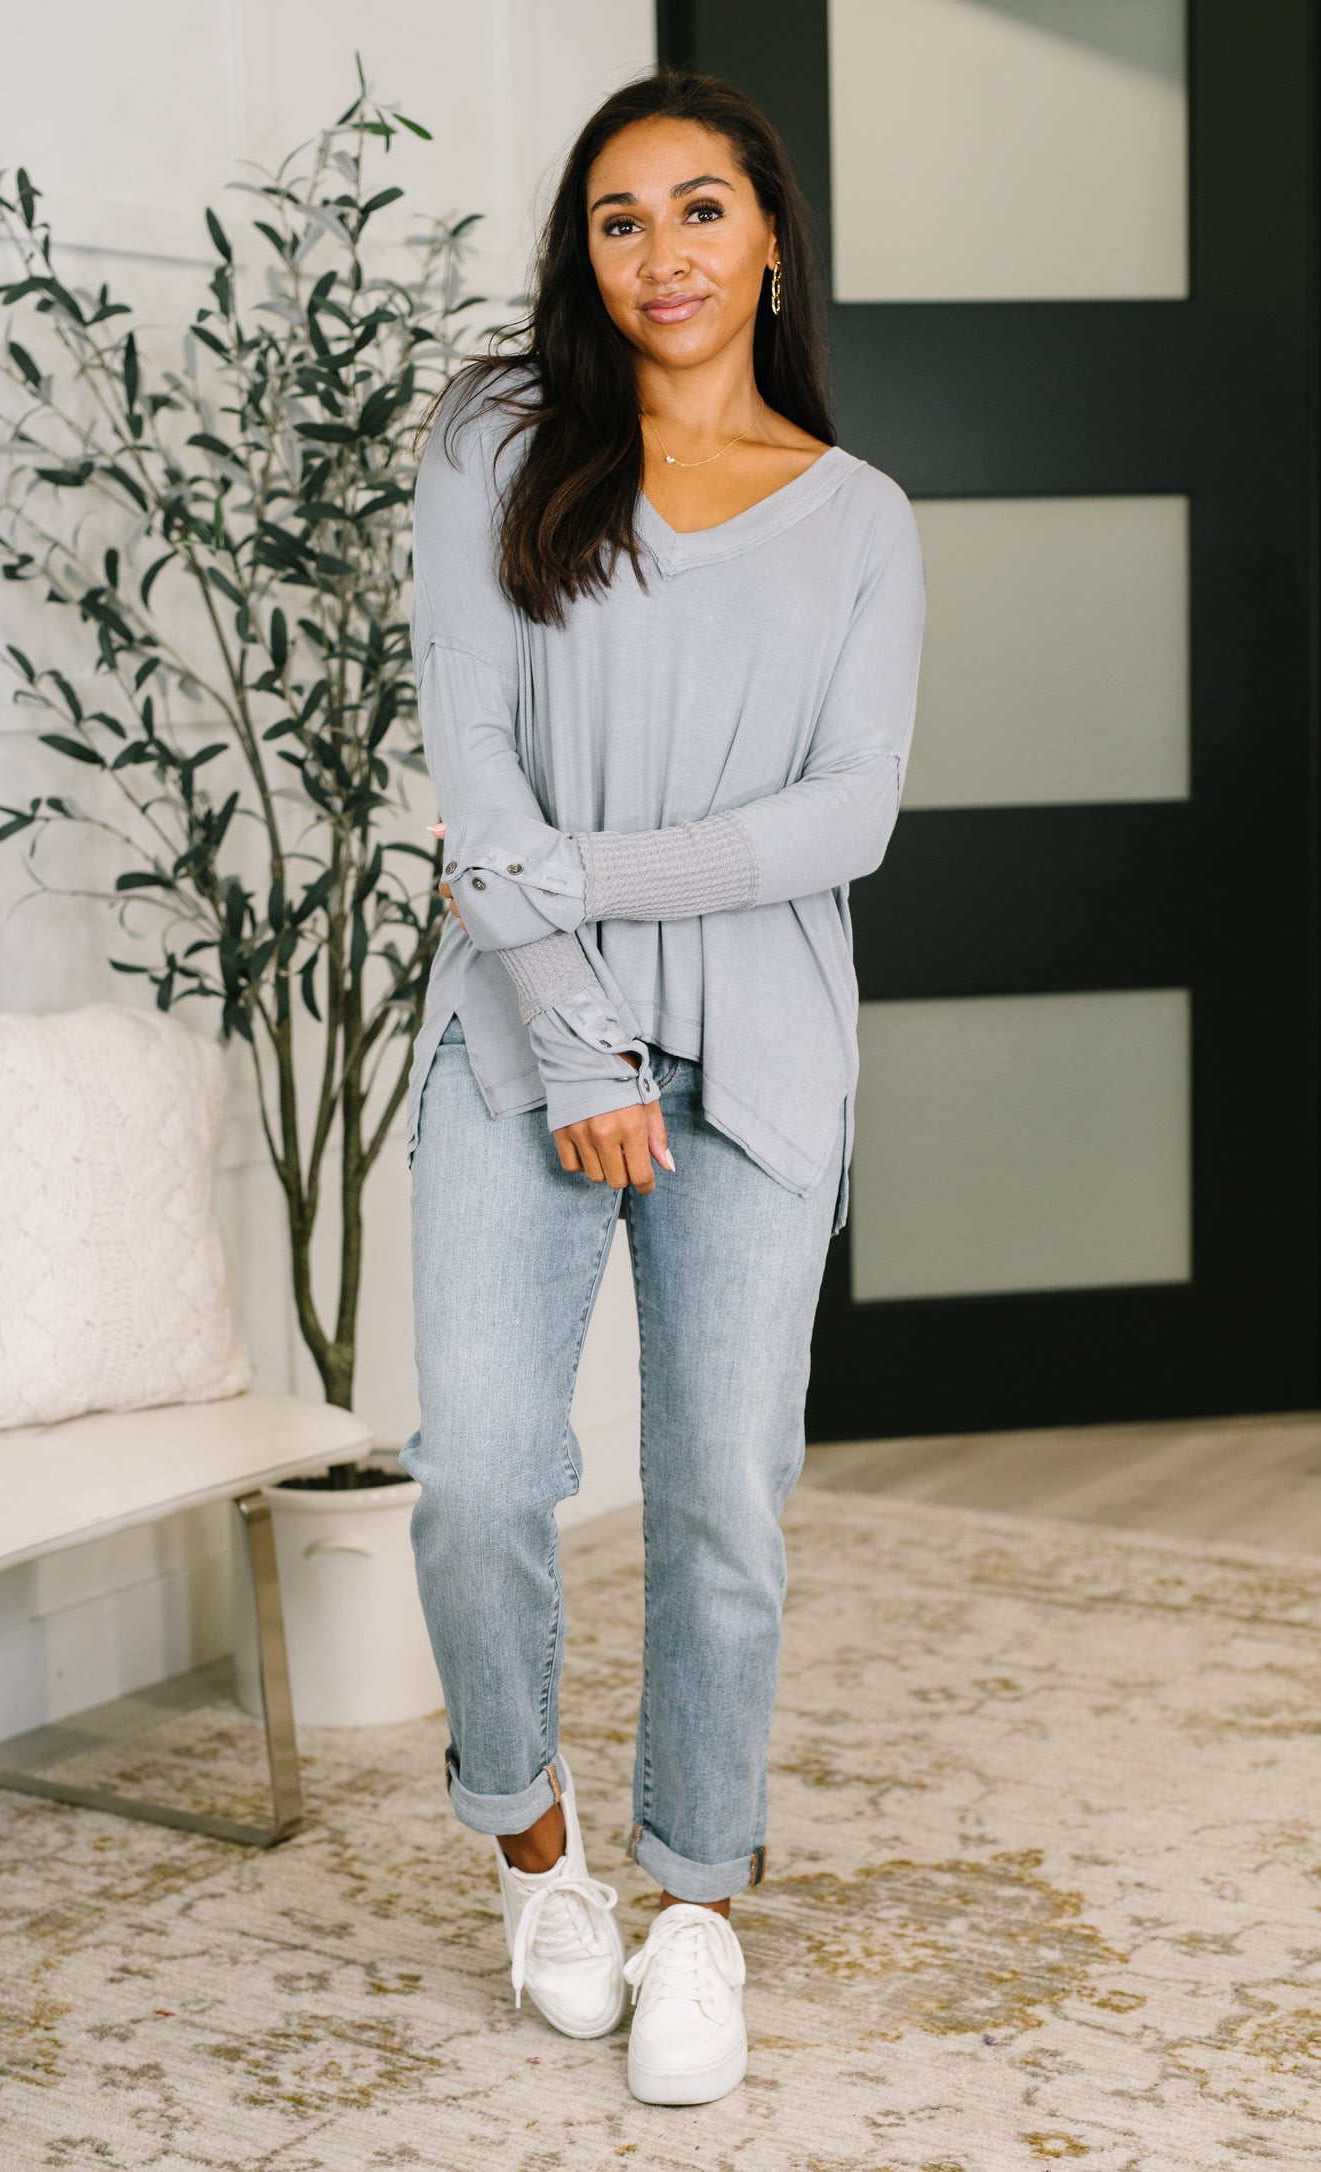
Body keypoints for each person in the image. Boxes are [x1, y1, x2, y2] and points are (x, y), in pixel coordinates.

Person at [399, 65, 925, 2107]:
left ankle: (696, 1904)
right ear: (582, 252)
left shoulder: (859, 514)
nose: (664, 254)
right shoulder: (499, 441)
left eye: (701, 211)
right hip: (528, 1037)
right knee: (479, 1480)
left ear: (770, 239)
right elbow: (475, 762)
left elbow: (847, 819)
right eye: (621, 219)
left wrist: (579, 882)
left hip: (765, 1053)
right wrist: (581, 1032)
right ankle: (538, 1859)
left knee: (721, 1500)